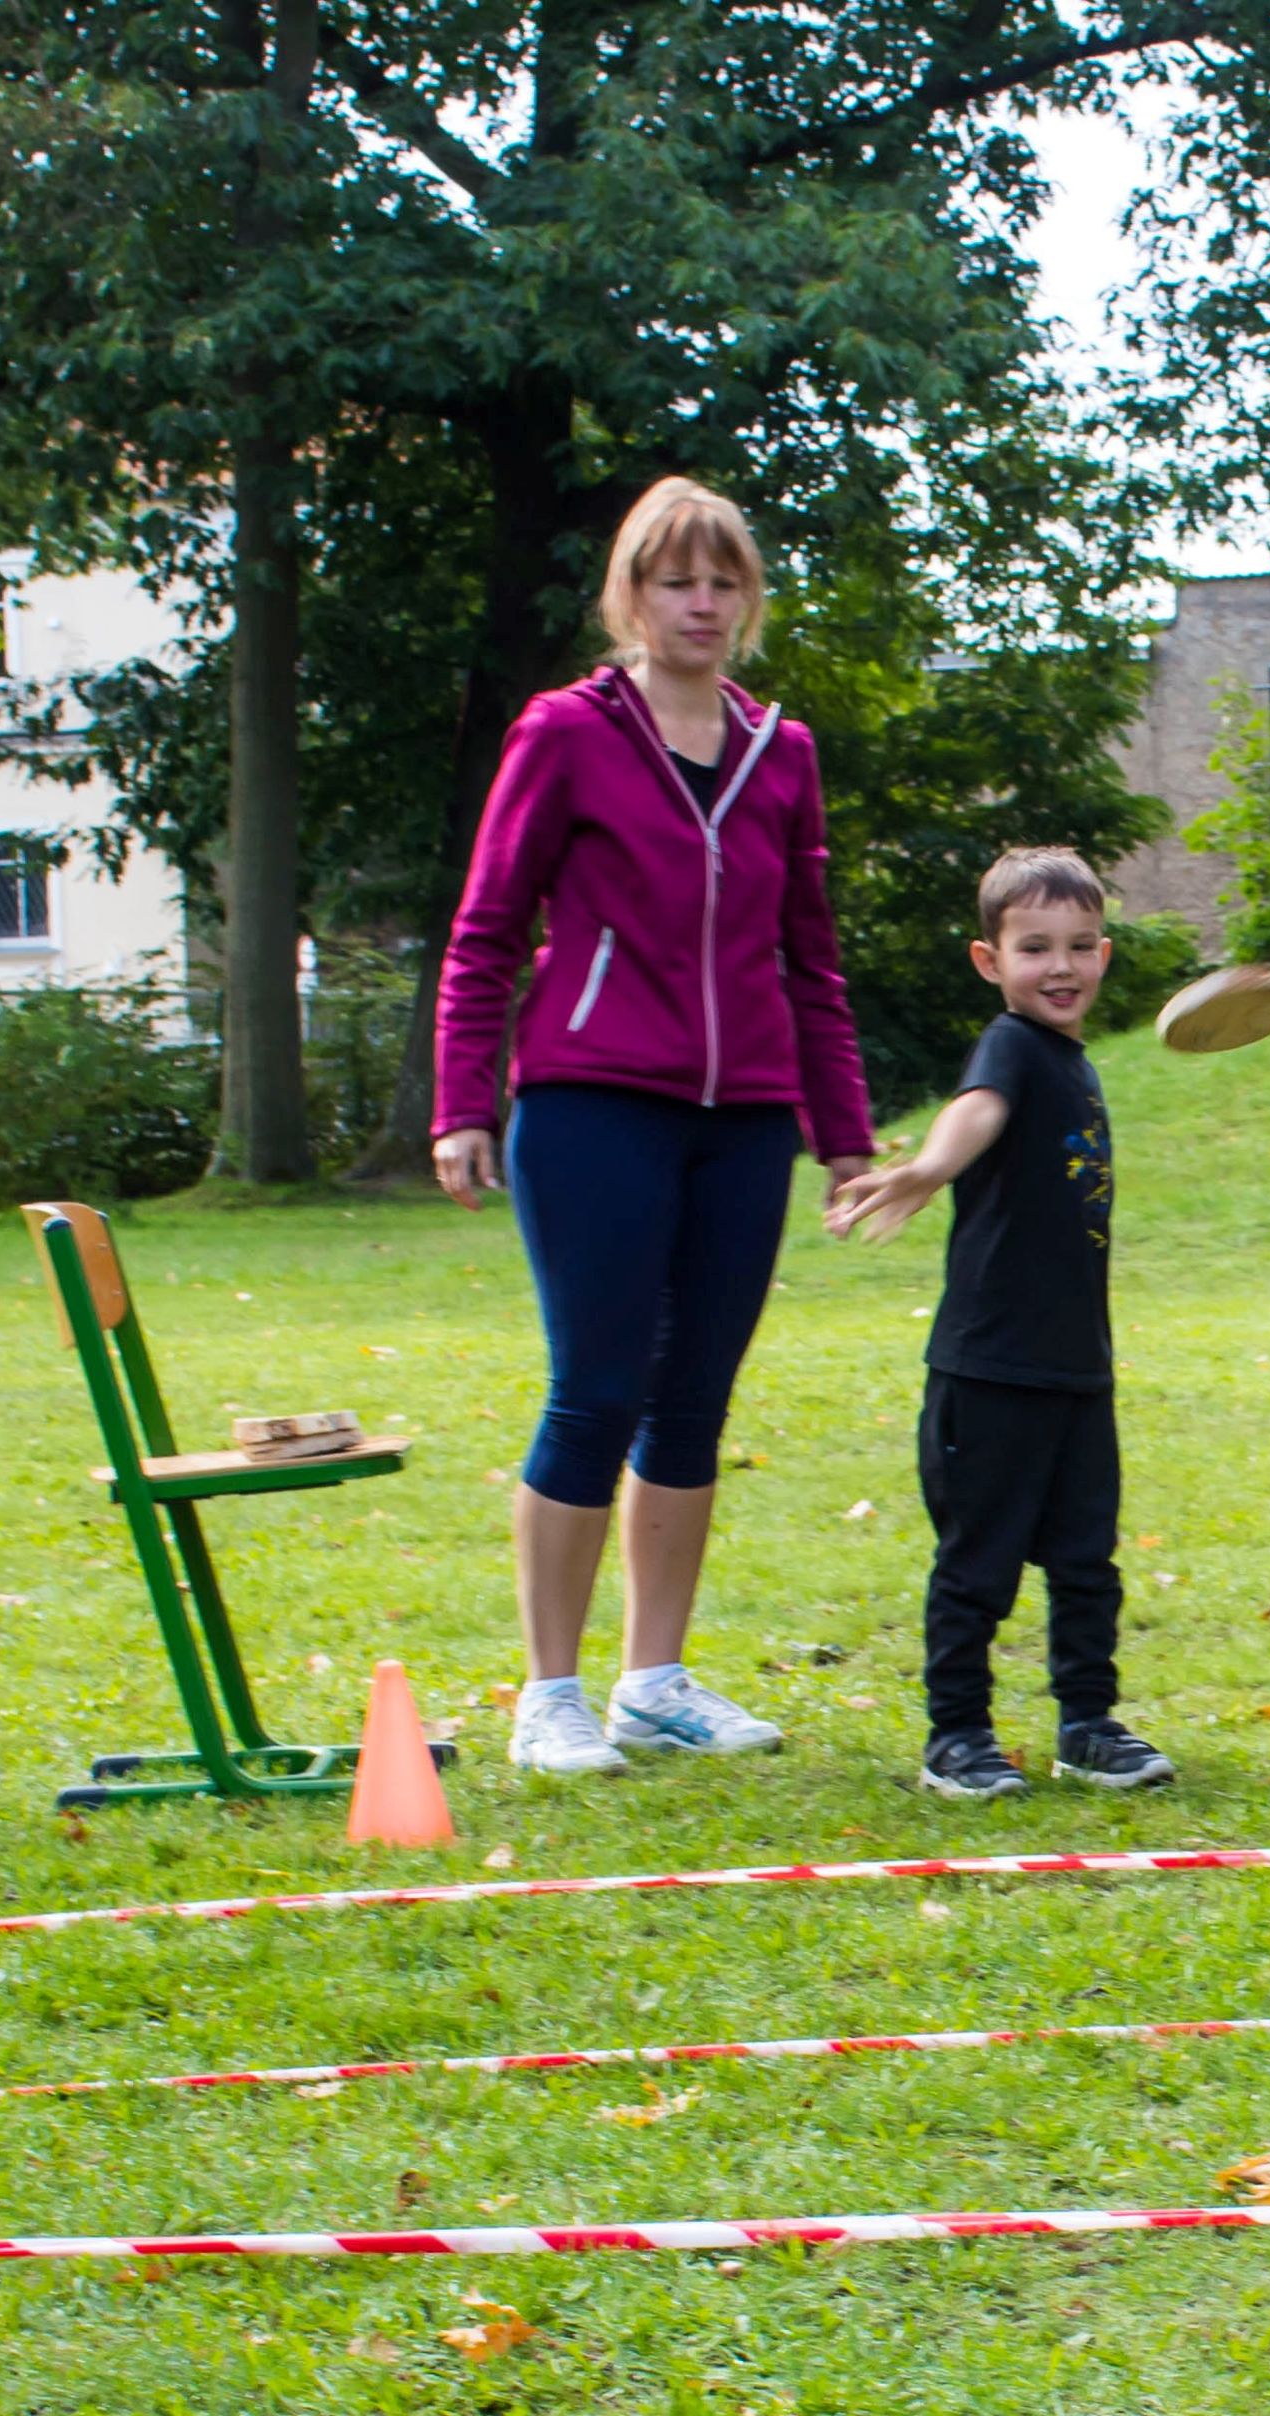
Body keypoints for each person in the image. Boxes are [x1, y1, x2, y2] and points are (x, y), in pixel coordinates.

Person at [430, 477, 873, 1777]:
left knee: (694, 1400)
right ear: (631, 595)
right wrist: (465, 1103)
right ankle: (549, 1693)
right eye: (676, 579)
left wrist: (842, 1134)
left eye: (724, 580)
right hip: (590, 1106)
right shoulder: (564, 733)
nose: (702, 602)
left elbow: (811, 961)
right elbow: (487, 930)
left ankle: (656, 1680)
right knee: (596, 1390)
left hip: (742, 1125)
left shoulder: (781, 753)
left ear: (747, 600)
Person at [824, 849, 1173, 1797]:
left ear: (1102, 954)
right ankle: (957, 1737)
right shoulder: (1011, 1048)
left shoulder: (1074, 1060)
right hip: (991, 1369)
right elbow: (974, 1113)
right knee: (977, 1565)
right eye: (1033, 948)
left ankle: (1088, 1724)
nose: (1058, 967)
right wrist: (926, 1170)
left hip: (1075, 1370)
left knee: (1085, 1562)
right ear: (990, 960)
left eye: (1076, 947)